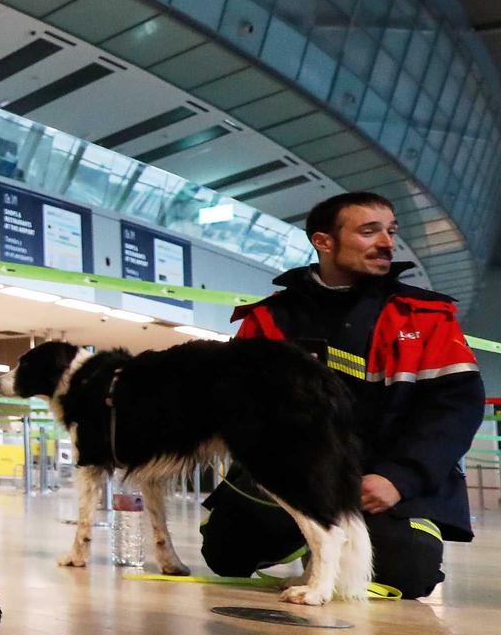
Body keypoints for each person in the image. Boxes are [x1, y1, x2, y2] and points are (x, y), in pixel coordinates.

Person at [201, 192, 482, 600]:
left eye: (391, 231)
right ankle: (310, 543)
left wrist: (398, 478)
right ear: (324, 242)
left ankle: (333, 545)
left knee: (406, 571)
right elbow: (242, 409)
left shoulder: (426, 317)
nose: (387, 242)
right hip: (292, 477)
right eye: (369, 231)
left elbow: (454, 409)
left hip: (386, 483)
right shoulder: (267, 319)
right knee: (229, 554)